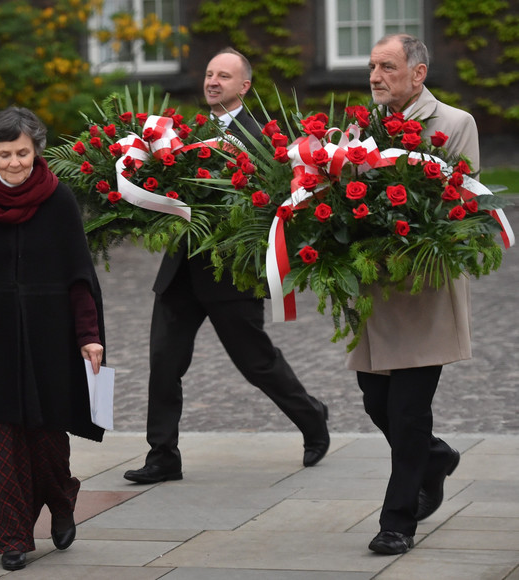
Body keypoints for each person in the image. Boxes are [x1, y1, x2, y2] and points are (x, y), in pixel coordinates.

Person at [123, 47, 329, 485]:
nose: (213, 81)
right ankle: (163, 455)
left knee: (255, 362)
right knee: (164, 361)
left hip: (230, 272)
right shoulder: (184, 132)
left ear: (244, 86)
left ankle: (312, 418)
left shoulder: (261, 138)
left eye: (224, 76)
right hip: (181, 269)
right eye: (209, 73)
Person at [0, 106, 106, 572]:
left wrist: (89, 336)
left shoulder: (60, 200)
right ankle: (12, 538)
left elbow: (79, 275)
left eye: (22, 152)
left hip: (50, 333)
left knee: (47, 439)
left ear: (36, 150)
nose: (14, 162)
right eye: (4, 154)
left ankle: (61, 497)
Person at [350, 34, 476, 555]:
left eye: (388, 66)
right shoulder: (361, 127)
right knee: (375, 399)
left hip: (424, 289)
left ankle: (397, 519)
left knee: (407, 409)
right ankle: (435, 457)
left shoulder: (454, 123)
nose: (376, 76)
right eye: (373, 66)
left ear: (418, 73)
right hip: (375, 291)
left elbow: (466, 205)